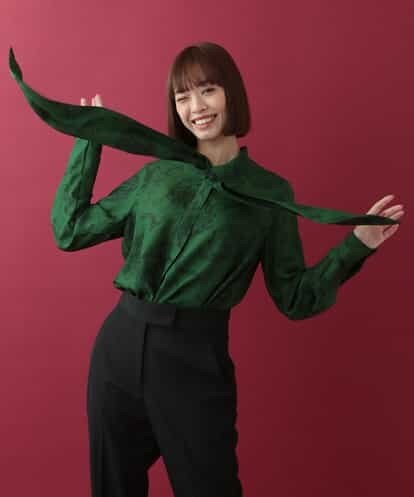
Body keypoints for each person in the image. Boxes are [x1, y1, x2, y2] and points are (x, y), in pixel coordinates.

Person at [9, 42, 403, 497]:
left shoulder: (270, 194)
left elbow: (295, 298)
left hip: (194, 359)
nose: (196, 107)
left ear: (231, 93)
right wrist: (89, 140)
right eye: (183, 97)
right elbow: (70, 230)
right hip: (118, 347)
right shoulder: (157, 176)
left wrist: (356, 245)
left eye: (207, 90)